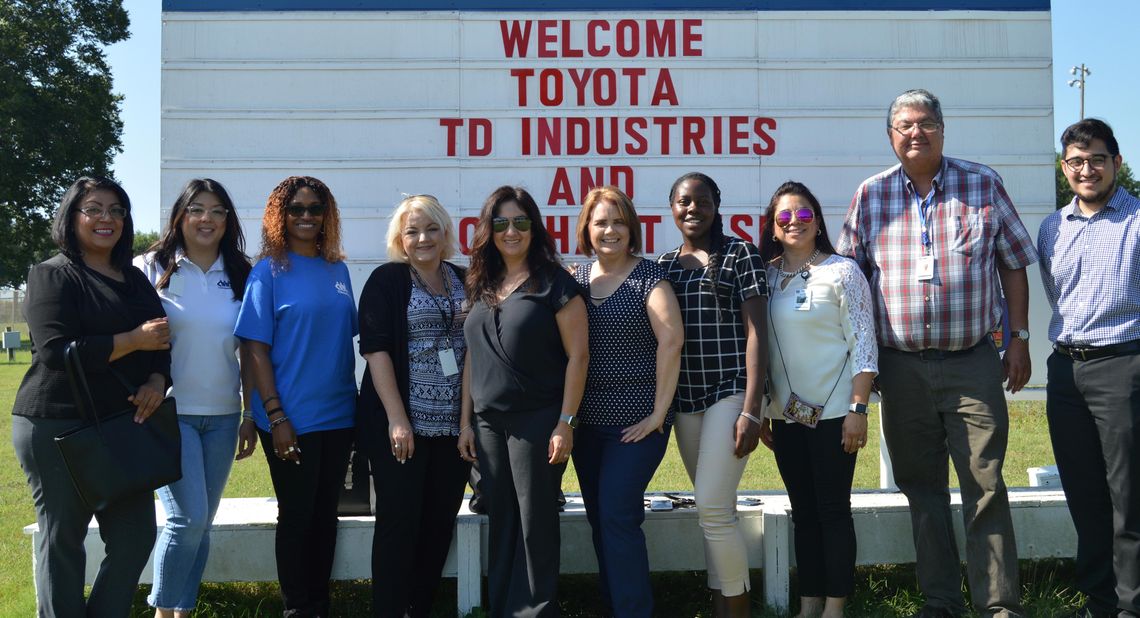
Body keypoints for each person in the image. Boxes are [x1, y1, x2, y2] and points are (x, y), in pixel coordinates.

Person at [837, 89, 1037, 618]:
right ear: (891, 136)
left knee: (986, 484)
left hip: (973, 361)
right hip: (900, 367)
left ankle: (999, 605)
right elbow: (849, 278)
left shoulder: (982, 183)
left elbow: (1014, 261)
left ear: (943, 129)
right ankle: (941, 602)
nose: (915, 133)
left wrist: (1018, 337)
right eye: (904, 125)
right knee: (922, 490)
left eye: (926, 123)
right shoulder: (871, 194)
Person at [12, 176, 172, 617]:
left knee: (136, 535)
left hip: (121, 426)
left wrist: (157, 380)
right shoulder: (51, 274)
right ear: (72, 217)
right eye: (95, 209)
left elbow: (161, 341)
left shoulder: (134, 280)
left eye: (116, 210)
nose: (107, 218)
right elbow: (55, 351)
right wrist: (132, 340)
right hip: (56, 425)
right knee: (63, 538)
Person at [457, 185, 588, 617]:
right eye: (500, 223)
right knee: (504, 519)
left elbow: (578, 356)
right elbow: (472, 358)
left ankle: (536, 610)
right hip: (489, 423)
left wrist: (565, 422)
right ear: (488, 230)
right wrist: (466, 424)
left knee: (536, 523)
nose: (510, 231)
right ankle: (504, 609)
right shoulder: (480, 282)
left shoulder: (555, 282)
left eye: (520, 222)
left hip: (539, 419)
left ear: (534, 227)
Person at [235, 176, 358, 618]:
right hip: (289, 418)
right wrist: (272, 413)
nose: (306, 216)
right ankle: (297, 609)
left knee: (327, 517)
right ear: (280, 216)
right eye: (297, 209)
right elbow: (254, 348)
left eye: (315, 208)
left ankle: (318, 605)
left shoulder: (337, 269)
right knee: (298, 516)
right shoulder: (268, 271)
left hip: (340, 416)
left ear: (327, 215)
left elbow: (343, 342)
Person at [134, 178, 255, 618]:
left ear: (228, 220)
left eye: (218, 211)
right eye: (198, 209)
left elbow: (252, 351)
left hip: (223, 417)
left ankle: (183, 612)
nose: (207, 219)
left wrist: (248, 415)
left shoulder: (244, 271)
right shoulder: (149, 267)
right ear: (181, 216)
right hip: (168, 414)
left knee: (202, 523)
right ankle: (163, 610)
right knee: (187, 519)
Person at [757, 181, 877, 618]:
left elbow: (864, 344)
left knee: (831, 511)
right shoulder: (765, 276)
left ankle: (835, 607)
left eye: (804, 214)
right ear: (772, 226)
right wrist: (765, 409)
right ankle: (808, 605)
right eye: (784, 216)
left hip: (836, 415)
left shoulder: (843, 271)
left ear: (818, 221)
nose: (794, 222)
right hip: (786, 418)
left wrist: (858, 410)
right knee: (802, 513)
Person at [1038, 118, 1140, 618]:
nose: (1087, 169)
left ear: (1115, 162)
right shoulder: (1052, 227)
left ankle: (1130, 606)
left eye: (1097, 158)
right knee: (1084, 492)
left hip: (1124, 367)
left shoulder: (1138, 221)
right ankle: (1099, 602)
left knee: (1129, 496)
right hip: (1066, 371)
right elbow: (1059, 298)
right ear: (1065, 167)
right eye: (1077, 161)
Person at [657, 172, 768, 617]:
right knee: (714, 510)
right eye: (683, 201)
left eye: (702, 201)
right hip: (686, 401)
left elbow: (757, 332)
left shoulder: (739, 253)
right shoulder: (663, 266)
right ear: (672, 208)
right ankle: (721, 601)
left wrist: (752, 410)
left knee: (711, 505)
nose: (692, 209)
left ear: (717, 204)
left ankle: (736, 609)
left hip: (730, 391)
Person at [571, 186, 683, 617]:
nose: (610, 230)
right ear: (587, 229)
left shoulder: (649, 279)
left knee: (618, 514)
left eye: (618, 222)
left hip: (636, 425)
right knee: (602, 520)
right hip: (587, 426)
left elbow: (671, 341)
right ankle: (615, 604)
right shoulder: (576, 280)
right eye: (601, 222)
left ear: (631, 228)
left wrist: (658, 413)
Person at [357, 194, 471, 617]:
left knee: (438, 526)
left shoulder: (464, 279)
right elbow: (376, 350)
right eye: (412, 231)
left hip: (451, 429)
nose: (422, 238)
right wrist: (397, 420)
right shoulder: (387, 280)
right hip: (402, 428)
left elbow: (473, 351)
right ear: (399, 239)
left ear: (445, 234)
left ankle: (418, 608)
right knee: (398, 526)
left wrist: (466, 424)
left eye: (431, 229)